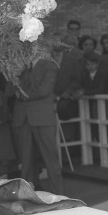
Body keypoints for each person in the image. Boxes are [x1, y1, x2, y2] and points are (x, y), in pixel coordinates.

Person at [12, 58, 64, 195]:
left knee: (50, 158)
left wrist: (22, 95)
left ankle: (59, 194)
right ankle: (28, 194)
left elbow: (45, 90)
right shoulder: (23, 66)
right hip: (24, 118)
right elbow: (13, 88)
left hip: (42, 117)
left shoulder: (49, 64)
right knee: (26, 160)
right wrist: (19, 73)